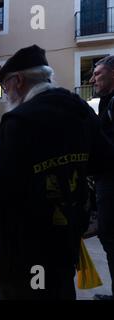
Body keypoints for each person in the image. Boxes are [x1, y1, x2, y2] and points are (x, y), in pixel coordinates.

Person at [0, 45, 114, 300]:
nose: (5, 96)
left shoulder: (19, 120)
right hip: (65, 240)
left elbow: (2, 187)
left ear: (19, 81)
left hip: (24, 247)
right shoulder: (80, 108)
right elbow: (104, 161)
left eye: (5, 88)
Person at [89, 55, 114, 300]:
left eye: (97, 74)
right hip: (105, 179)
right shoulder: (107, 103)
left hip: (111, 181)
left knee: (110, 235)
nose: (93, 78)